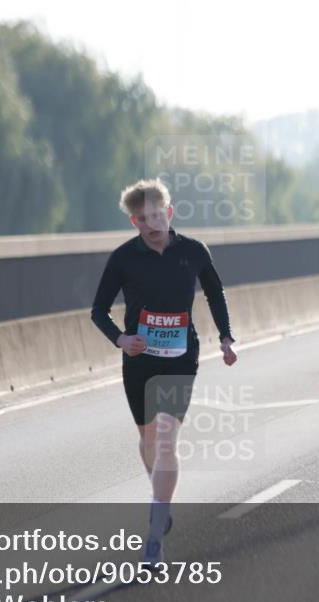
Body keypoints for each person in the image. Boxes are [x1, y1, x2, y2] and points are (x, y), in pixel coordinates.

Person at [90, 178, 237, 565]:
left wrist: (225, 337)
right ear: (133, 223)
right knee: (149, 439)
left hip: (180, 357)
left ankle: (154, 533)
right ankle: (162, 499)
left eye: (158, 215)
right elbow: (98, 311)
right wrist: (121, 340)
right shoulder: (123, 258)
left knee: (168, 438)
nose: (152, 223)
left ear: (169, 213)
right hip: (139, 360)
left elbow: (215, 292)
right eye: (143, 219)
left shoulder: (193, 251)